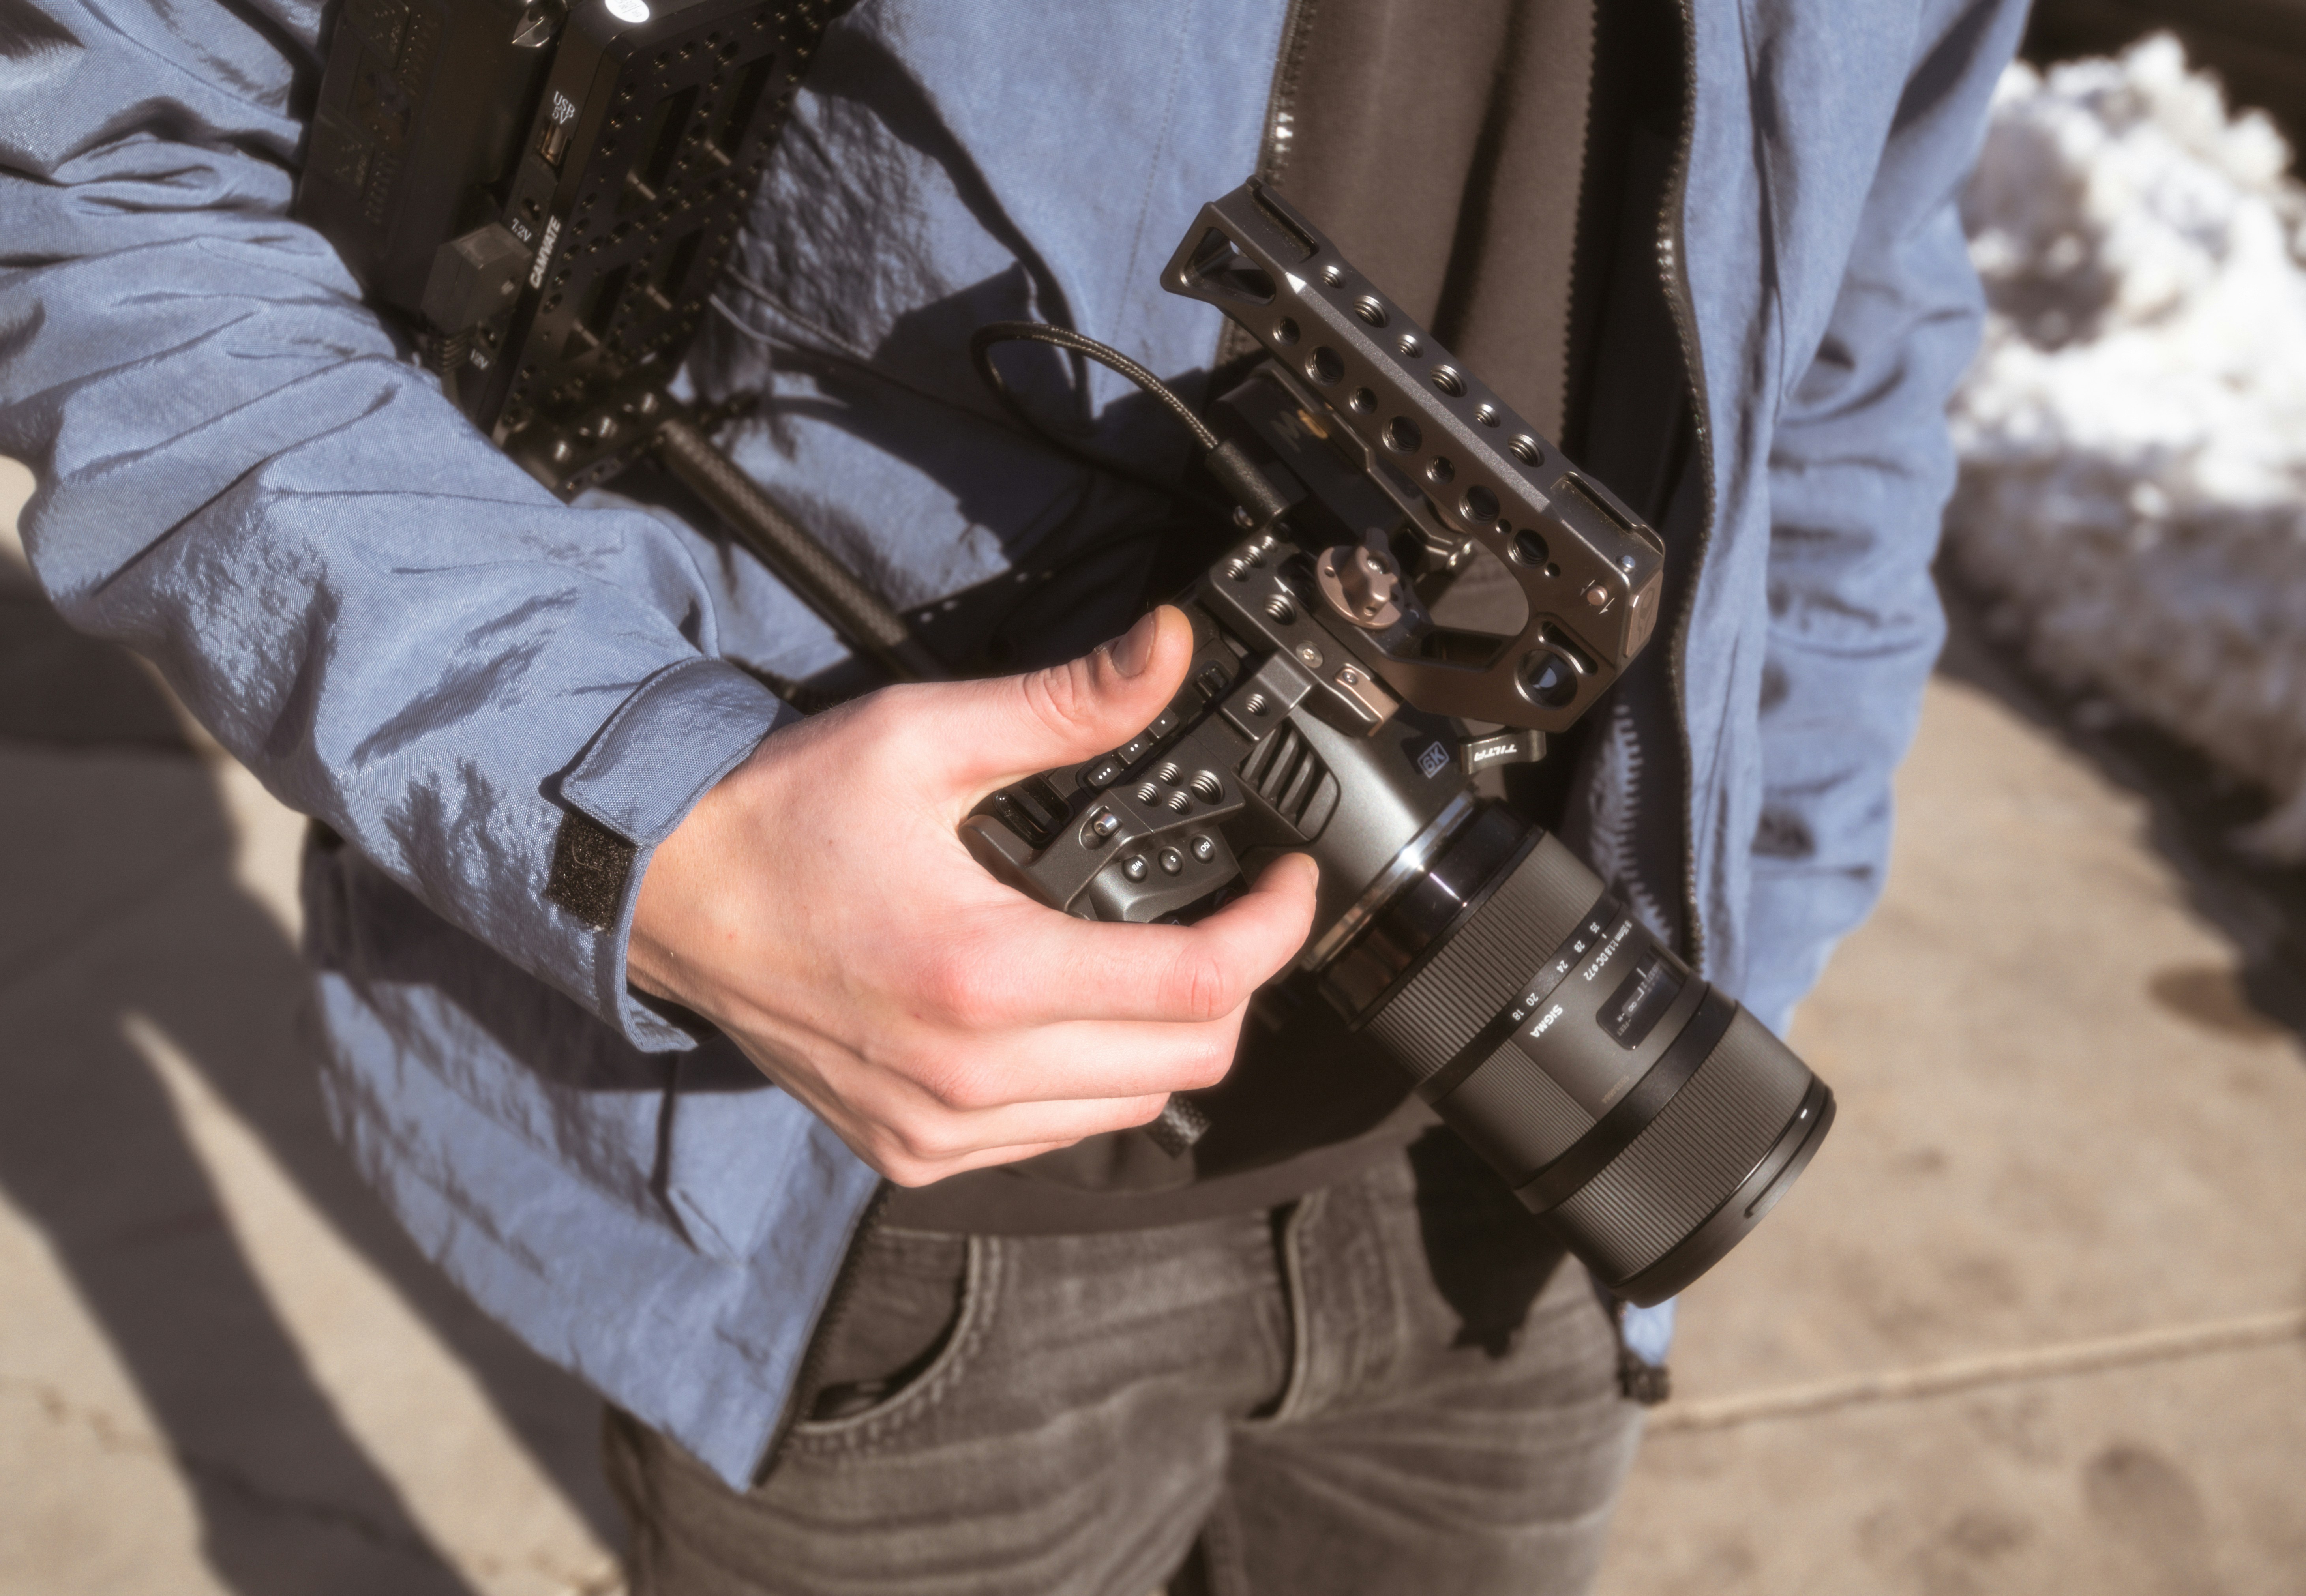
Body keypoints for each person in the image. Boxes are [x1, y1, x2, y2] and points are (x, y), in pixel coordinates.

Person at [0, 0, 2031, 1590]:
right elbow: (104, 164)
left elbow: (1861, 292)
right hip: (861, 1207)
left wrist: (1767, 889)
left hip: (1534, 1175)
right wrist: (666, 824)